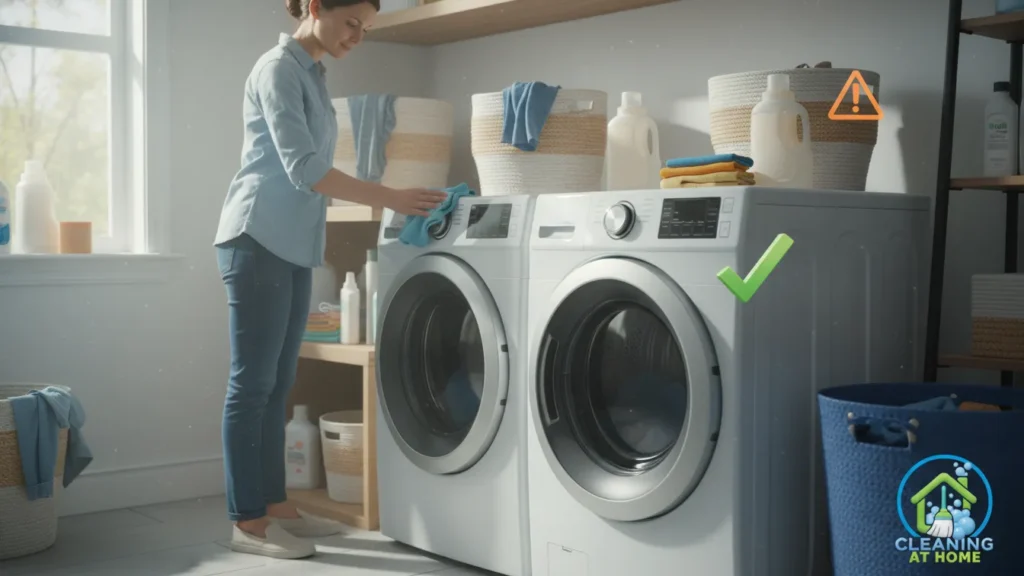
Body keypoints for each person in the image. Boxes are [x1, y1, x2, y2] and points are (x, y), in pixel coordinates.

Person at [213, 0, 446, 560]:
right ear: (315, 6)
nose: (358, 36)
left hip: (291, 244)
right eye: (351, 22)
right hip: (256, 236)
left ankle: (275, 507)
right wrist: (391, 197)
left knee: (277, 381)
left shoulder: (313, 75)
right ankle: (247, 521)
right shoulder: (276, 69)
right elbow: (305, 169)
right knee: (252, 386)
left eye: (366, 28)